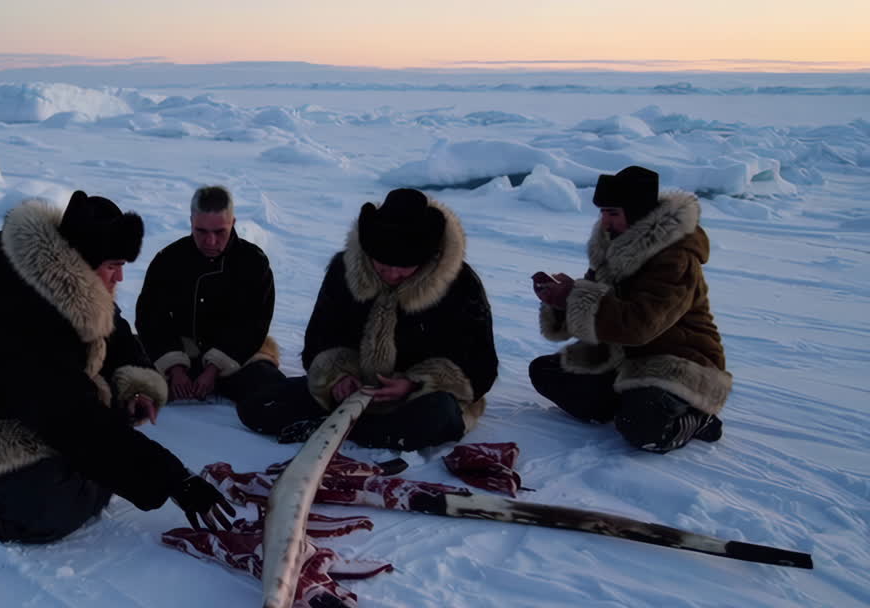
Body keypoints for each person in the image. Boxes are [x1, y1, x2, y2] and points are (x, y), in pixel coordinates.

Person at [0, 190, 234, 543]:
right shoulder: (20, 314)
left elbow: (114, 332)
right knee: (48, 510)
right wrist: (174, 479)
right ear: (81, 263)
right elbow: (72, 419)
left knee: (95, 447)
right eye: (112, 267)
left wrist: (136, 383)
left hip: (25, 410)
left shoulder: (65, 285)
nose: (119, 279)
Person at [237, 188, 498, 451]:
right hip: (354, 393)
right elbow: (318, 340)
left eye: (404, 268)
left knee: (437, 416)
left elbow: (481, 367)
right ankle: (360, 430)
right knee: (257, 407)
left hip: (419, 400)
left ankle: (338, 429)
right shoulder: (345, 269)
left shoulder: (461, 284)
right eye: (383, 266)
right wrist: (338, 377)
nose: (393, 275)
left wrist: (413, 384)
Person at [529, 165, 730, 453]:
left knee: (642, 428)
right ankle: (629, 399)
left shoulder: (675, 258)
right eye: (602, 213)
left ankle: (699, 417)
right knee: (545, 372)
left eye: (613, 213)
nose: (604, 222)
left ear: (636, 214)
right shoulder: (615, 248)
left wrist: (574, 297)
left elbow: (639, 325)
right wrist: (560, 299)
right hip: (625, 358)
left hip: (680, 361)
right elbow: (596, 302)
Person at [135, 185, 283, 404]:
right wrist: (175, 368)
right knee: (126, 378)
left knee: (269, 394)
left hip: (239, 356)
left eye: (219, 232)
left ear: (233, 223)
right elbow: (151, 318)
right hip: (181, 351)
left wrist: (214, 368)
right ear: (191, 222)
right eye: (201, 231)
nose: (210, 241)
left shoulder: (253, 263)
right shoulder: (169, 259)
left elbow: (253, 324)